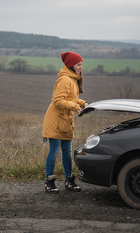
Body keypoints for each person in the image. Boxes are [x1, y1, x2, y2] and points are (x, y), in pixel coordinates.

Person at [42, 52, 88, 193]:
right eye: (78, 64)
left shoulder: (73, 78)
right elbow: (58, 101)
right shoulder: (65, 80)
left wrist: (83, 103)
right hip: (55, 121)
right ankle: (49, 182)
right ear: (70, 65)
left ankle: (69, 181)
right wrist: (75, 107)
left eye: (81, 64)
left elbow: (71, 98)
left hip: (66, 121)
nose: (81, 67)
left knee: (67, 152)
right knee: (54, 151)